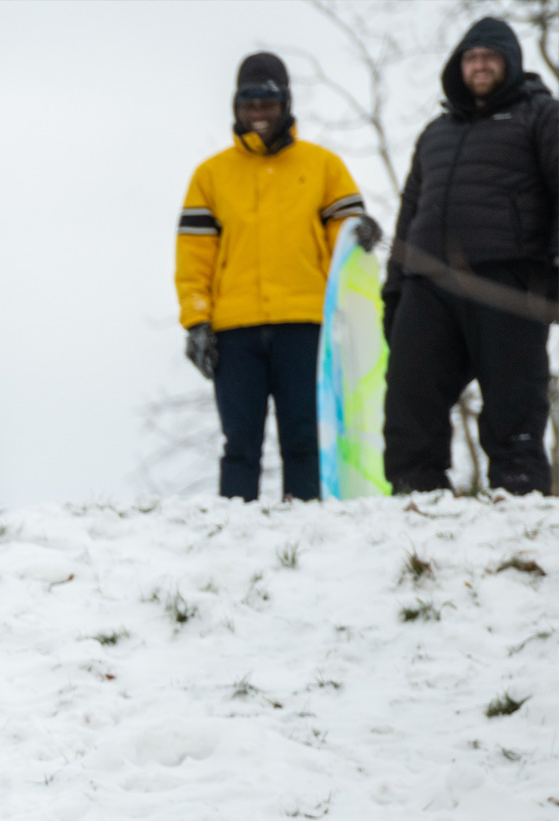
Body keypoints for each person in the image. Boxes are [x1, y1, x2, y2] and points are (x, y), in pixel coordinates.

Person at [174, 53, 369, 502]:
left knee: (302, 437)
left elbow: (347, 234)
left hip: (304, 322)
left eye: (268, 105)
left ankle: (305, 527)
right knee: (239, 442)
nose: (258, 115)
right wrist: (196, 321)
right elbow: (194, 256)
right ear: (236, 107)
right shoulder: (210, 176)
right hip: (234, 328)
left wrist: (362, 231)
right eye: (249, 105)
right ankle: (234, 529)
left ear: (286, 104)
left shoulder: (323, 166)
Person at [383, 17, 559, 496]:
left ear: (510, 64)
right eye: (470, 58)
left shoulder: (541, 115)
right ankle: (414, 496)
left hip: (508, 279)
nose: (479, 65)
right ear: (458, 67)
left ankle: (520, 500)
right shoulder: (435, 132)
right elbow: (409, 212)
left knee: (513, 402)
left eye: (489, 57)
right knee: (409, 396)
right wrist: (395, 288)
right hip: (428, 282)